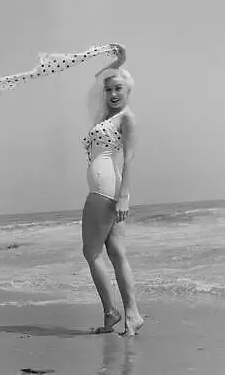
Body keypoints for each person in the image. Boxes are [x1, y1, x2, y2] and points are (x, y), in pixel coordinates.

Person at [81, 44, 144, 336]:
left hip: (107, 190)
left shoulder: (126, 118)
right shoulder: (105, 116)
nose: (113, 94)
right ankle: (132, 316)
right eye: (109, 90)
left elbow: (129, 158)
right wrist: (118, 61)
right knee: (117, 253)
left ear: (128, 89)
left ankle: (111, 312)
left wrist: (124, 198)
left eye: (119, 88)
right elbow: (99, 78)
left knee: (91, 252)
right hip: (106, 187)